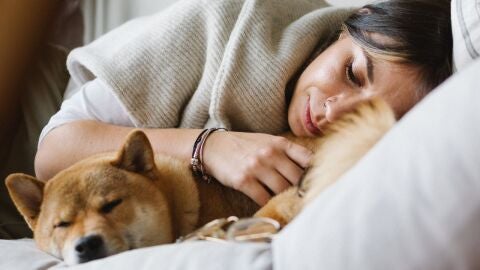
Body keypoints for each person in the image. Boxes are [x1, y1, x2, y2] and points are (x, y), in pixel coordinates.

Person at [35, 0, 452, 206]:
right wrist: (209, 147)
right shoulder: (225, 19)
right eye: (353, 73)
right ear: (350, 26)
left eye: (367, 117)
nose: (331, 113)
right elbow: (53, 152)